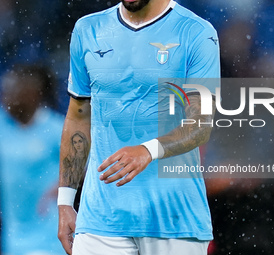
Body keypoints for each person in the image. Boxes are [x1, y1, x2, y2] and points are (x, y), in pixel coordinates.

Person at [57, 0, 220, 254]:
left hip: (173, 218)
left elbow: (200, 124)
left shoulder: (197, 32)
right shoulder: (87, 29)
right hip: (101, 219)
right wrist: (65, 202)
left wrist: (147, 150)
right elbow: (78, 116)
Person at [0, 64, 65, 255]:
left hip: (48, 234)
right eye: (2, 91)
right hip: (13, 238)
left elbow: (89, 164)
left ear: (32, 94)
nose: (2, 97)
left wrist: (64, 184)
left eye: (10, 91)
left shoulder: (56, 128)